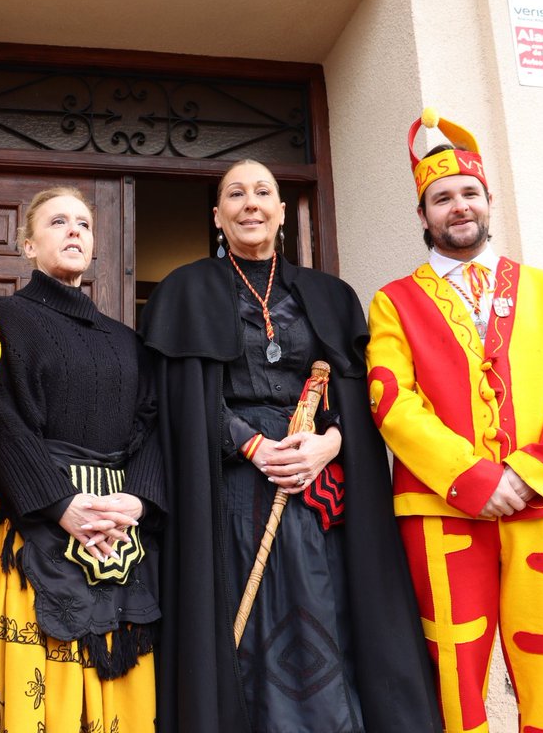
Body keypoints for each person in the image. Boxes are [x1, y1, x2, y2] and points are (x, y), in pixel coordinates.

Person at [139, 160, 441, 733]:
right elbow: (175, 397)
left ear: (281, 212)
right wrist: (250, 444)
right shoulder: (186, 289)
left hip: (316, 486)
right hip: (228, 486)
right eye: (235, 194)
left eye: (262, 193)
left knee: (328, 607)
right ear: (216, 215)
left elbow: (360, 398)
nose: (250, 203)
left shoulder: (328, 295)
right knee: (242, 622)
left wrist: (330, 444)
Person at [365, 109, 543, 733]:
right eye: (441, 197)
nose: (458, 206)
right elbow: (392, 399)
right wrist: (473, 478)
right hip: (442, 511)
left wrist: (530, 474)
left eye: (469, 193)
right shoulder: (393, 301)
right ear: (423, 215)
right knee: (453, 676)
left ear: (489, 201)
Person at [0, 187, 165, 733]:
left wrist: (137, 502)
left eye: (83, 223)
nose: (74, 230)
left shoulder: (128, 341)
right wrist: (60, 503)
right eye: (58, 222)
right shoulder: (0, 317)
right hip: (22, 521)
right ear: (28, 244)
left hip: (115, 532)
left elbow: (152, 425)